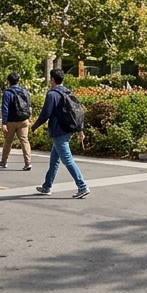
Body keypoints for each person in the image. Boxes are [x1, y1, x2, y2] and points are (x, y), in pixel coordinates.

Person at [32, 69, 89, 198]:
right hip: (68, 129)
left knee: (67, 160)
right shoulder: (68, 92)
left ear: (52, 79)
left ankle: (82, 186)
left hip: (58, 131)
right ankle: (47, 186)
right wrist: (80, 130)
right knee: (54, 161)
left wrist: (35, 126)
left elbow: (45, 113)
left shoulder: (52, 94)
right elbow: (78, 112)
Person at [0, 72, 32, 170]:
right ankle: (28, 162)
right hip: (23, 120)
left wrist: (4, 123)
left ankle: (4, 161)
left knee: (8, 141)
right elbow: (29, 105)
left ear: (8, 82)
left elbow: (5, 109)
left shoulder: (7, 93)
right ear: (18, 81)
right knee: (24, 140)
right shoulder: (24, 92)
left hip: (11, 121)